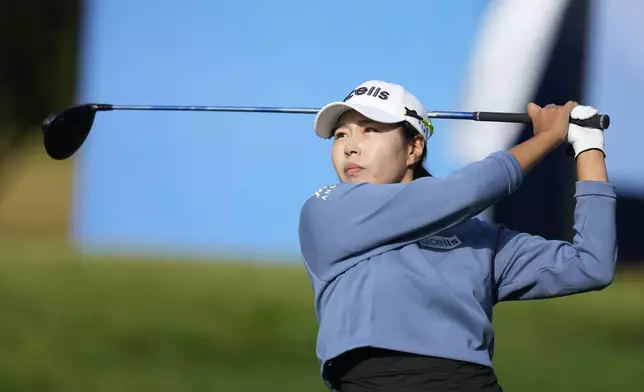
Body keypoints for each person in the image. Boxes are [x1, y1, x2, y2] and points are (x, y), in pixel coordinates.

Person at [297, 80, 616, 392]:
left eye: (369, 129)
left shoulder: (478, 237)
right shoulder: (327, 210)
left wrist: (588, 146)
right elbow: (466, 190)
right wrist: (546, 138)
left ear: (413, 147)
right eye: (340, 135)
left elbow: (590, 264)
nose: (350, 146)